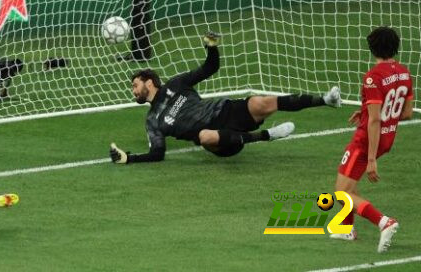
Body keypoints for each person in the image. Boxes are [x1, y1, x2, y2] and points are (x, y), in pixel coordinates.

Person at [109, 31, 341, 164]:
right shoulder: (151, 120)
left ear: (149, 82)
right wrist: (128, 158)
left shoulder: (176, 84)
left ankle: (325, 100)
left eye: (135, 85)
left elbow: (210, 68)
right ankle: (266, 135)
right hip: (219, 142)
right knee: (204, 136)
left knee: (262, 101)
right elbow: (157, 153)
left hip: (224, 111)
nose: (133, 90)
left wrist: (211, 47)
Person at [329, 27, 414, 253]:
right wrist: (366, 112)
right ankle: (346, 229)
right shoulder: (405, 73)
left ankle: (384, 222)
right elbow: (406, 113)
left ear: (372, 48)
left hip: (367, 140)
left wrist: (371, 159)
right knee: (349, 186)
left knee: (341, 193)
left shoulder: (372, 77)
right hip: (387, 139)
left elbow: (375, 120)